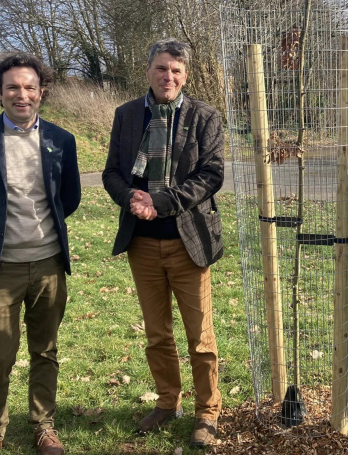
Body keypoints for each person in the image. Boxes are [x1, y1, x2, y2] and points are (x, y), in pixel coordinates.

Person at [0, 53, 81, 455]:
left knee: (46, 351)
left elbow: (68, 198)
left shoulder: (61, 139)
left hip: (48, 264)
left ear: (41, 92)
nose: (21, 95)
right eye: (12, 87)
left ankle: (44, 426)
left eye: (29, 87)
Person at [102, 38, 225, 447]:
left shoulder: (205, 117)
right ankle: (168, 401)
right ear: (148, 72)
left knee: (200, 337)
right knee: (157, 334)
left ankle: (207, 411)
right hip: (142, 243)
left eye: (175, 69)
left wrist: (161, 202)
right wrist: (131, 199)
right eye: (161, 68)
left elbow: (211, 176)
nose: (167, 76)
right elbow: (112, 173)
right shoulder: (126, 116)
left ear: (185, 75)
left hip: (188, 242)